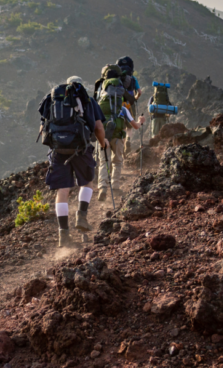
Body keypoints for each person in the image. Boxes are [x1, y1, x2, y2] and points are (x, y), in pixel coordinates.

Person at [39, 77, 107, 247]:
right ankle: (81, 216)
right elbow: (98, 127)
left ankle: (63, 235)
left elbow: (43, 128)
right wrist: (102, 143)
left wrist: (57, 142)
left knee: (62, 191)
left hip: (58, 151)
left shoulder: (52, 100)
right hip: (80, 149)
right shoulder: (87, 100)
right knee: (87, 183)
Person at [97, 102, 146, 201]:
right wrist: (140, 122)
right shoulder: (123, 109)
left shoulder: (100, 105)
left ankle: (102, 187)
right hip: (118, 138)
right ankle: (115, 187)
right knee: (117, 162)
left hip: (103, 138)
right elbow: (135, 126)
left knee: (104, 161)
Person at [117, 56, 142, 151]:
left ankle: (122, 143)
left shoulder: (118, 78)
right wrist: (134, 99)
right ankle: (128, 139)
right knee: (130, 126)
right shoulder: (133, 78)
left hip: (119, 103)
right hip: (130, 104)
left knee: (122, 125)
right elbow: (139, 92)